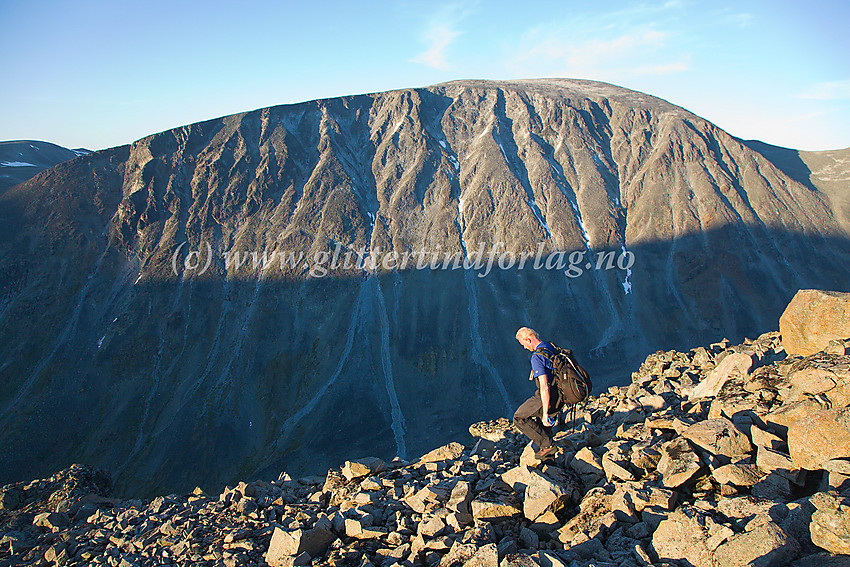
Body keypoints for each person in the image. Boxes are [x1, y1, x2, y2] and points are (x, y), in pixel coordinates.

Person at [513, 327, 560, 460]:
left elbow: (544, 386)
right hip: (559, 395)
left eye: (524, 344)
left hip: (546, 395)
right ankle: (550, 461)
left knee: (519, 418)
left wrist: (545, 413)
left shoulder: (537, 357)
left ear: (528, 339)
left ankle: (548, 446)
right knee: (542, 425)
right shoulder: (550, 346)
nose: (525, 348)